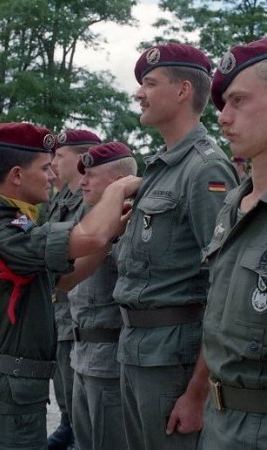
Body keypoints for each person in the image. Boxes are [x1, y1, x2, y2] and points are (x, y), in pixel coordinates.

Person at [0, 122, 140, 450]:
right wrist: (118, 189)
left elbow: (65, 279)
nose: (51, 175)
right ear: (17, 175)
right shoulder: (5, 230)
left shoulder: (17, 222)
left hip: (15, 385)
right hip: (8, 387)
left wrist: (111, 234)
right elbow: (89, 235)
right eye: (44, 168)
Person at [111, 42, 240, 450]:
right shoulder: (162, 167)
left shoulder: (206, 169)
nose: (139, 93)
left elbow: (224, 285)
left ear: (183, 90)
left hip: (173, 361)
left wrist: (198, 392)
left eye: (149, 83)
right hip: (136, 351)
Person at [201, 37, 267, 450]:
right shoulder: (233, 204)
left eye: (237, 101)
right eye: (222, 104)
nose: (223, 118)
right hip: (220, 422)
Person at [58, 142, 138, 450]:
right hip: (82, 357)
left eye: (90, 174)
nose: (83, 182)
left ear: (119, 182)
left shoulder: (129, 226)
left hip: (109, 363)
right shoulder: (92, 221)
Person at [47, 129, 102, 450]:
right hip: (61, 314)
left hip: (78, 316)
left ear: (81, 157)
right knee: (67, 399)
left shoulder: (91, 200)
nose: (53, 162)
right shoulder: (62, 200)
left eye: (59, 155)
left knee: (81, 412)